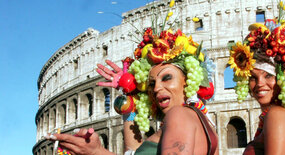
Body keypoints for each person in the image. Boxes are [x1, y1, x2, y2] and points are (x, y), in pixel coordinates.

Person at [45, 17, 219, 154]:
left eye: (166, 78)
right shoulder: (195, 120)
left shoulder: (179, 115)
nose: (157, 88)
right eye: (151, 83)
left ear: (187, 81)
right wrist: (96, 151)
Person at [228, 2, 285, 154]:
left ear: (284, 78)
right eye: (253, 77)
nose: (259, 83)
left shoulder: (277, 114)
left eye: (268, 75)